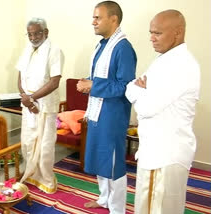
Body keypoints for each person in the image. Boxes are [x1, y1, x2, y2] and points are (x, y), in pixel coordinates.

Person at [125, 10, 200, 214]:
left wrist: (138, 91)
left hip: (163, 155)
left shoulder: (180, 65)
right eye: (151, 32)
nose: (151, 38)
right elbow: (131, 86)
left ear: (178, 32)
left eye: (157, 33)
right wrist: (139, 90)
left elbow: (147, 107)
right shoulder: (164, 59)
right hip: (158, 152)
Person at [77, 1, 137, 213]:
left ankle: (117, 208)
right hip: (98, 112)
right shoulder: (102, 44)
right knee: (102, 160)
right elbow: (101, 78)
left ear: (114, 19)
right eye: (93, 17)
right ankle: (104, 199)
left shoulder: (123, 48)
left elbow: (125, 86)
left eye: (97, 17)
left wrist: (93, 85)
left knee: (113, 163)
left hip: (112, 115)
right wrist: (87, 82)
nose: (93, 22)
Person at [16, 17, 64, 194]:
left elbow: (54, 82)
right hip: (28, 105)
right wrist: (25, 97)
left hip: (44, 106)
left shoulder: (54, 50)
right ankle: (30, 174)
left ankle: (45, 179)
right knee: (28, 142)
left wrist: (31, 98)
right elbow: (20, 76)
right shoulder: (26, 49)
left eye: (37, 33)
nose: (33, 37)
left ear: (46, 32)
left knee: (44, 146)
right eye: (30, 34)